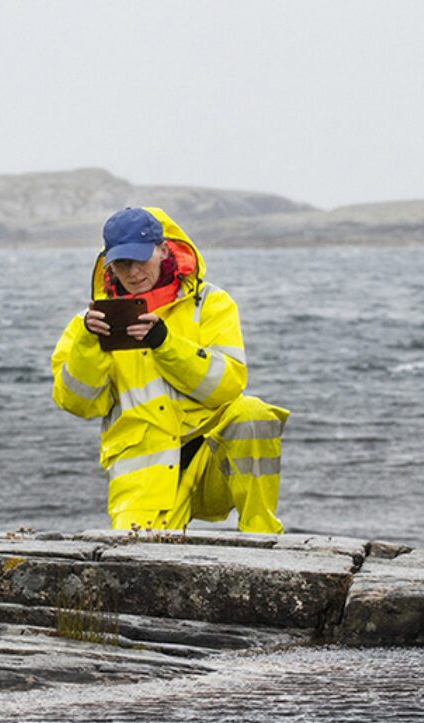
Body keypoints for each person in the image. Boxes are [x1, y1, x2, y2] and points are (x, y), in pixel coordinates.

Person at [51, 206, 288, 533]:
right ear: (108, 263)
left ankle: (262, 537)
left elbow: (227, 386)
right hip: (144, 472)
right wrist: (90, 345)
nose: (132, 273)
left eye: (140, 259)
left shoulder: (211, 303)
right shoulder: (86, 326)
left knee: (253, 414)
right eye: (122, 263)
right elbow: (77, 404)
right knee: (135, 569)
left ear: (163, 249)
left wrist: (165, 344)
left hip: (211, 461)